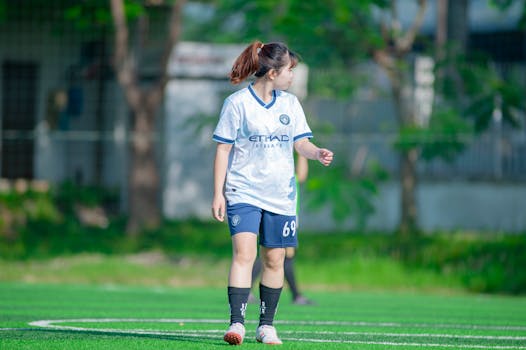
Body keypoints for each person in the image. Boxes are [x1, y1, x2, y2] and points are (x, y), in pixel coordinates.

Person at [212, 41, 333, 346]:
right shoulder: (237, 104)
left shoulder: (290, 104)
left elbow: (300, 143)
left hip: (281, 195)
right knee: (244, 254)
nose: (293, 75)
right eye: (290, 70)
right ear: (272, 73)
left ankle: (266, 326)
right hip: (244, 192)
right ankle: (236, 324)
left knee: (275, 259)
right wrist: (218, 194)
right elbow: (223, 149)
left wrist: (316, 152)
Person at [248, 155, 315, 306]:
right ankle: (295, 295)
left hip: (289, 214)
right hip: (278, 213)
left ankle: (295, 295)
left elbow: (301, 176)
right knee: (272, 252)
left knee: (283, 253)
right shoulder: (277, 171)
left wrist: (302, 151)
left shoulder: (290, 176)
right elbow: (301, 176)